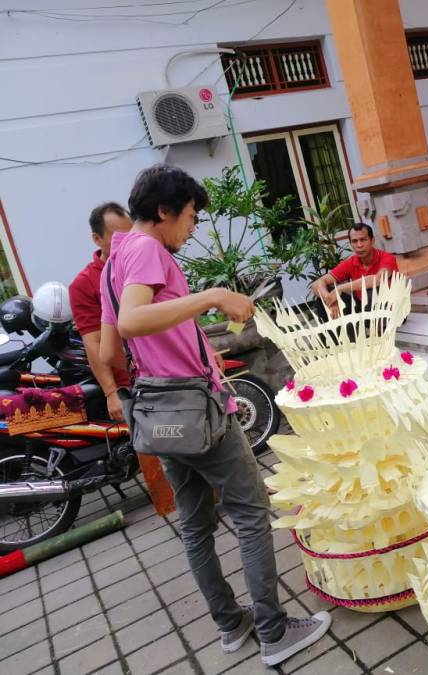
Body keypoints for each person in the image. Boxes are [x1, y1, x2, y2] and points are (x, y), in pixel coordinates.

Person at [99, 164, 331, 667]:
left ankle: (231, 624)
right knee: (251, 514)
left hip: (159, 412)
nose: (192, 227)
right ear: (164, 211)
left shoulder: (112, 262)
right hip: (199, 408)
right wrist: (209, 297)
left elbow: (110, 349)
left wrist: (186, 337)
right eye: (190, 216)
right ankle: (274, 631)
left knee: (195, 524)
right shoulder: (148, 250)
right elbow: (133, 321)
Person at [68, 202, 133, 421]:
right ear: (97, 238)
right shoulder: (84, 284)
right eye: (118, 237)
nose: (126, 242)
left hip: (169, 371)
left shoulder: (143, 263)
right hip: (132, 383)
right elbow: (94, 342)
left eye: (131, 235)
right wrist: (112, 392)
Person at [311, 222, 398, 318]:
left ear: (372, 240)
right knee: (322, 296)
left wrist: (340, 288)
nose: (359, 245)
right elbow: (316, 284)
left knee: (371, 291)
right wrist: (330, 300)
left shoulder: (387, 258)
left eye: (363, 240)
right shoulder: (351, 262)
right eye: (354, 241)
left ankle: (378, 326)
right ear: (350, 244)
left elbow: (378, 279)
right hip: (364, 310)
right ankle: (336, 328)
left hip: (391, 311)